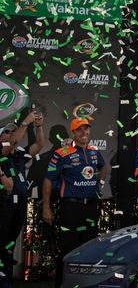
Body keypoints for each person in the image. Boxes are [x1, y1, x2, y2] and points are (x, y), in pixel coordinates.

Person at [42, 117, 105, 288]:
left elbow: (103, 167)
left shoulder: (94, 151)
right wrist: (46, 207)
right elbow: (48, 180)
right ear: (73, 132)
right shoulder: (62, 153)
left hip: (91, 206)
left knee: (90, 248)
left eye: (86, 129)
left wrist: (100, 182)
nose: (84, 132)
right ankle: (62, 285)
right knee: (69, 248)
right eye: (80, 130)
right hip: (70, 207)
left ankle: (85, 284)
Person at [0, 110, 44, 288]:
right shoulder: (2, 154)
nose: (11, 134)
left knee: (10, 244)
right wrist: (25, 123)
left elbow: (39, 145)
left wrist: (39, 126)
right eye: (7, 132)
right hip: (4, 203)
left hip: (19, 204)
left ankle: (6, 279)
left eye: (12, 131)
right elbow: (12, 142)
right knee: (1, 243)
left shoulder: (18, 155)